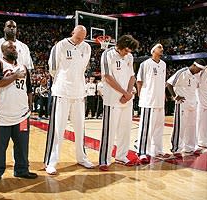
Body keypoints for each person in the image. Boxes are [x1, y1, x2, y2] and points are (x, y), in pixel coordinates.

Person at [43, 25, 94, 175]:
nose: (80, 40)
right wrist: (63, 80)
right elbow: (52, 68)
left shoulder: (87, 48)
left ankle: (81, 157)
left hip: (79, 93)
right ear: (73, 33)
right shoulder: (61, 45)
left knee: (80, 128)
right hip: (62, 92)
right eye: (78, 37)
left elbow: (83, 68)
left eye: (82, 38)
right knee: (58, 129)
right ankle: (51, 162)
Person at [0, 40, 37, 186]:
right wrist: (15, 76)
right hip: (2, 115)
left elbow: (28, 90)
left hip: (22, 115)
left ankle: (22, 169)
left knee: (22, 145)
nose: (13, 48)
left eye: (14, 47)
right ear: (3, 51)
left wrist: (29, 106)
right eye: (9, 47)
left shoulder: (24, 67)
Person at [99, 35, 140, 171]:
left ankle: (122, 156)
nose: (128, 53)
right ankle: (104, 159)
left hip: (126, 100)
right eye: (126, 50)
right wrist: (124, 92)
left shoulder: (129, 57)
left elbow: (132, 76)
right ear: (121, 45)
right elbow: (107, 77)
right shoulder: (107, 54)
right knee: (109, 130)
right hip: (112, 99)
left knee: (125, 130)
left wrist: (128, 93)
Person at [136, 43, 170, 164]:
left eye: (162, 48)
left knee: (159, 128)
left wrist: (164, 95)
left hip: (160, 100)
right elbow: (139, 81)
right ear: (152, 51)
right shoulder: (145, 64)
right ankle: (142, 151)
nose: (162, 49)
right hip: (148, 101)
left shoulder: (163, 64)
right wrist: (141, 96)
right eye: (159, 47)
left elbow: (162, 82)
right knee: (146, 128)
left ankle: (157, 150)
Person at [166, 59, 206, 158]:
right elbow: (169, 84)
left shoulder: (196, 76)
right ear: (194, 65)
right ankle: (176, 149)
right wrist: (175, 96)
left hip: (193, 104)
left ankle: (190, 147)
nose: (199, 71)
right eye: (199, 69)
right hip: (182, 104)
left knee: (192, 127)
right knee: (180, 127)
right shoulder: (182, 72)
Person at [197, 66, 207, 149]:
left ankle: (203, 140)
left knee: (204, 123)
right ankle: (200, 141)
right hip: (201, 101)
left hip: (204, 99)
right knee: (201, 122)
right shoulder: (202, 71)